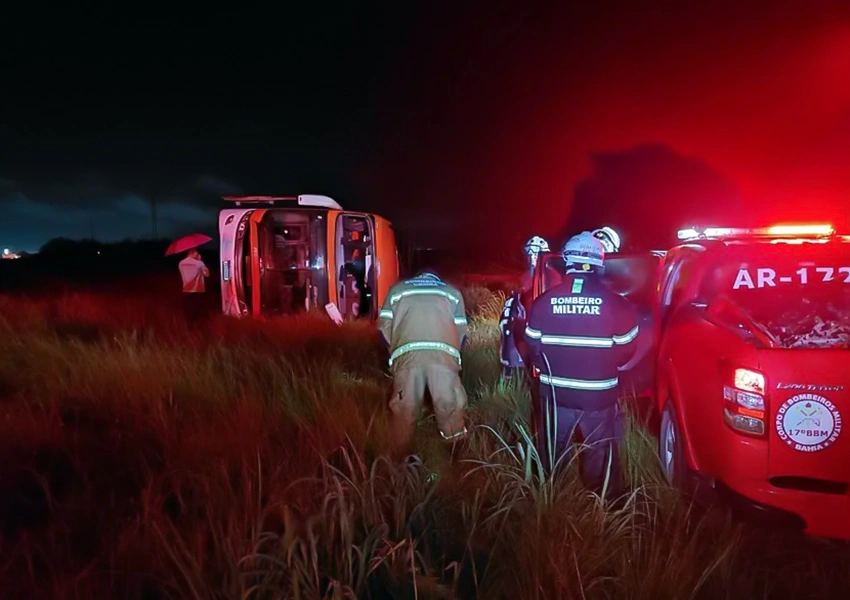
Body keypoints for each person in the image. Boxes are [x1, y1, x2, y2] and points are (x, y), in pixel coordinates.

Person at [523, 232, 640, 497]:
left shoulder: (542, 303)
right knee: (599, 452)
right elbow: (627, 350)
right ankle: (599, 502)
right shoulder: (619, 305)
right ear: (599, 262)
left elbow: (533, 347)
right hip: (599, 395)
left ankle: (549, 499)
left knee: (552, 451)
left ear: (567, 262)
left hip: (555, 394)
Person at [378, 269, 469, 449]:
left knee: (405, 407)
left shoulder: (397, 291)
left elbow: (383, 329)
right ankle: (456, 453)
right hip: (443, 357)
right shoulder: (452, 293)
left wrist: (395, 351)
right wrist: (453, 356)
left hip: (407, 356)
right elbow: (462, 333)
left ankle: (400, 457)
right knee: (449, 403)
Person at [499, 235, 549, 379]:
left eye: (536, 254)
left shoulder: (552, 276)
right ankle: (514, 367)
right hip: (526, 320)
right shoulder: (525, 278)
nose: (533, 259)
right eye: (530, 254)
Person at [179, 248, 210, 322]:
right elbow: (207, 274)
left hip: (186, 290)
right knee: (198, 313)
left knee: (188, 312)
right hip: (197, 290)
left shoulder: (181, 263)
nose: (197, 255)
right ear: (192, 253)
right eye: (196, 253)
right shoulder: (198, 263)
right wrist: (200, 261)